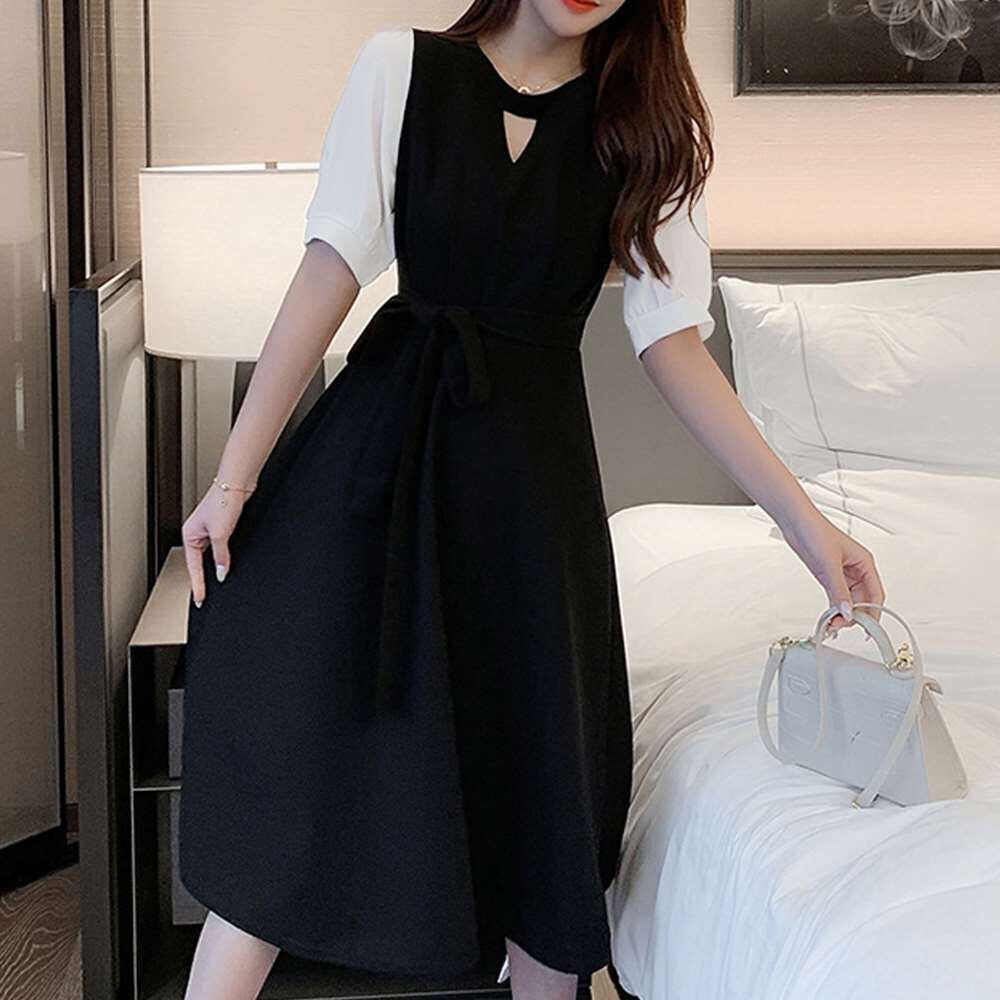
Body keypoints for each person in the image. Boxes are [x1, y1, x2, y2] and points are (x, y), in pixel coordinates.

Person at [176, 2, 886, 999]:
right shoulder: (400, 71)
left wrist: (808, 530)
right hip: (375, 469)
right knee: (303, 775)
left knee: (545, 812)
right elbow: (328, 273)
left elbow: (672, 343)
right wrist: (233, 480)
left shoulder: (644, 124)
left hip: (527, 499)